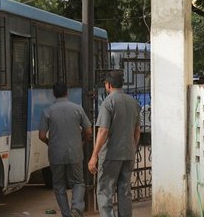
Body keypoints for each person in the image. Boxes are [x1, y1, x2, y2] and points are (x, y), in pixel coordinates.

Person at [88, 71, 141, 217]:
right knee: (124, 190)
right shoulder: (133, 103)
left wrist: (94, 155)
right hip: (128, 154)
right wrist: (133, 146)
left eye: (105, 84)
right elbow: (137, 130)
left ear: (109, 85)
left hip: (111, 155)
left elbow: (103, 131)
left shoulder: (108, 102)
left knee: (105, 190)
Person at [39, 81, 92, 217]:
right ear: (67, 92)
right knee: (78, 182)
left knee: (59, 186)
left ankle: (66, 214)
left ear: (53, 94)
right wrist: (83, 141)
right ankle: (76, 208)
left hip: (56, 154)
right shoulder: (77, 109)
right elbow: (88, 131)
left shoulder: (47, 111)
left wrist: (50, 143)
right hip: (75, 152)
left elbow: (42, 135)